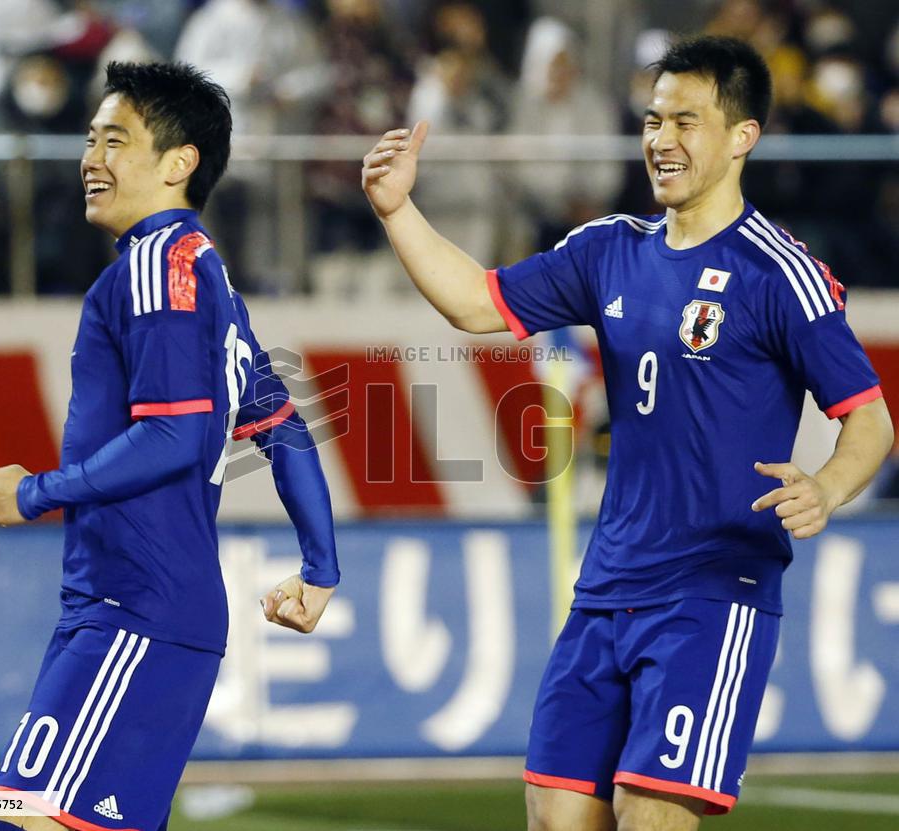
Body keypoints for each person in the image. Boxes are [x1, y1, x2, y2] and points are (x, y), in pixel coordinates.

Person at [362, 35, 893, 831]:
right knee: (555, 817)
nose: (661, 139)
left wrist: (826, 485)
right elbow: (477, 303)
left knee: (649, 817)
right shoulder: (610, 248)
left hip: (712, 592)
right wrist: (398, 210)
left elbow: (870, 418)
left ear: (742, 137)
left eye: (687, 119)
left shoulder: (780, 273)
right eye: (652, 119)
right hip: (607, 588)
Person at [0, 60, 339, 831]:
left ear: (179, 164)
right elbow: (281, 427)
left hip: (131, 610)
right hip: (143, 612)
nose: (91, 159)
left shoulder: (155, 263)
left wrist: (34, 493)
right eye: (89, 139)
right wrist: (320, 568)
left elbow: (174, 435)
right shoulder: (212, 284)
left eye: (116, 140)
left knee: (16, 822)